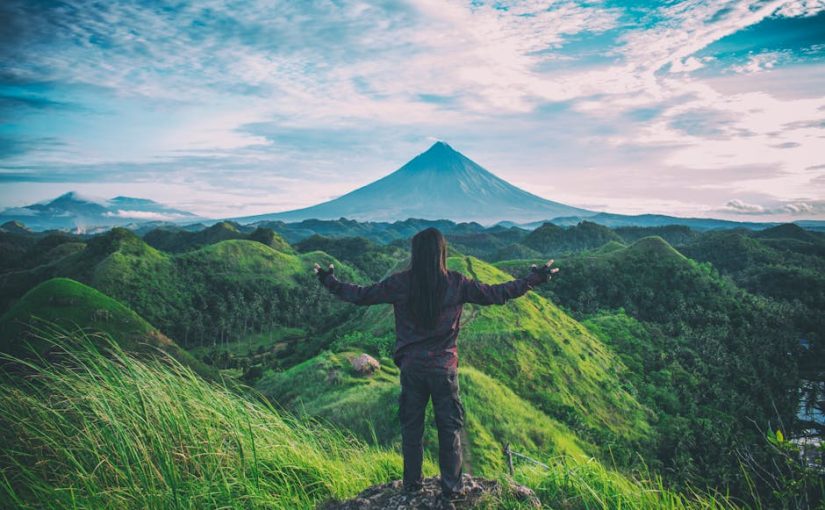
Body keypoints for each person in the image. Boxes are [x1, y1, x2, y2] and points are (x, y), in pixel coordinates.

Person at [313, 227, 557, 500]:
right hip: (443, 369)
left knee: (412, 428)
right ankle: (452, 489)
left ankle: (412, 486)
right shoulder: (457, 282)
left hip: (412, 368)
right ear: (442, 253)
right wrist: (533, 279)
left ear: (415, 254)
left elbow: (361, 295)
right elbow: (497, 293)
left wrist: (328, 281)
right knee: (449, 429)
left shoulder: (400, 283)